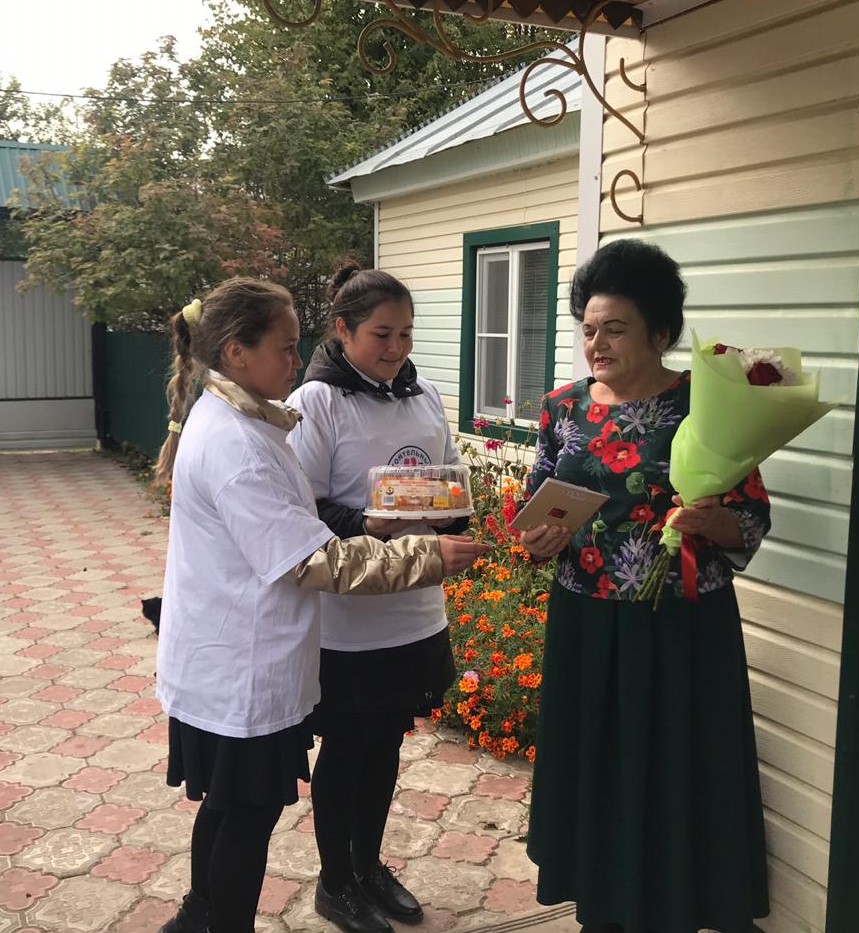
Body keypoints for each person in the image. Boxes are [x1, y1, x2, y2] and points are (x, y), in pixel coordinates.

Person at [152, 278, 488, 933]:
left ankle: (200, 917)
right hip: (242, 667)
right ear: (237, 352)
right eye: (284, 347)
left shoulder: (241, 421)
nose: (295, 359)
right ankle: (223, 919)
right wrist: (424, 555)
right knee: (245, 814)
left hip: (235, 659)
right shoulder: (238, 444)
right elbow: (313, 560)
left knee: (232, 806)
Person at [519, 240, 771, 933]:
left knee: (677, 768)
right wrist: (536, 540)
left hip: (681, 625)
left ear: (660, 332)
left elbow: (751, 517)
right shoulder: (562, 407)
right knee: (599, 769)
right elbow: (536, 505)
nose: (596, 344)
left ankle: (676, 905)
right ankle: (604, 906)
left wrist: (715, 521)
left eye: (615, 328)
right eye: (589, 329)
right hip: (587, 625)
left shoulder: (706, 405)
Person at [285, 260, 468, 933]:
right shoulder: (317, 402)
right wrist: (368, 522)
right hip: (349, 619)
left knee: (387, 741)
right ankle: (335, 881)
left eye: (406, 334)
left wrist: (454, 513)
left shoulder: (426, 396)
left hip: (414, 610)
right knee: (347, 747)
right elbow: (300, 509)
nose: (396, 349)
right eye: (381, 335)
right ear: (343, 330)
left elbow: (452, 482)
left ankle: (368, 866)